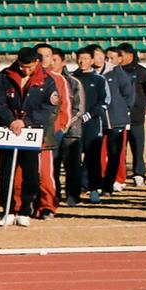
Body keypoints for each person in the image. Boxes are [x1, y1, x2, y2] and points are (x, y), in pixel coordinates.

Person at [0, 47, 60, 227]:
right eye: (22, 66)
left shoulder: (47, 81)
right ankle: (8, 209)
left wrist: (26, 121)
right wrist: (11, 121)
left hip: (31, 133)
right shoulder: (3, 77)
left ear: (36, 62)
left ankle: (24, 210)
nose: (25, 70)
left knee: (30, 174)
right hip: (8, 131)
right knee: (6, 173)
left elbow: (50, 108)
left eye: (28, 67)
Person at [31, 43, 71, 218]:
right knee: (28, 171)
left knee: (47, 172)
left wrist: (61, 127)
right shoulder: (27, 76)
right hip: (27, 133)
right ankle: (29, 203)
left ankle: (48, 205)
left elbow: (65, 106)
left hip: (48, 133)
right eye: (39, 55)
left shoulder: (58, 79)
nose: (43, 59)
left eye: (47, 56)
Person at [72, 47, 110, 204]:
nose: (83, 62)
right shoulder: (71, 79)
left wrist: (91, 114)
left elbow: (105, 101)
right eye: (80, 58)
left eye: (86, 59)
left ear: (92, 61)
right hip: (74, 124)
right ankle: (73, 192)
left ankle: (94, 189)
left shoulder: (99, 80)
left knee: (93, 158)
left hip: (93, 124)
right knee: (73, 159)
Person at [50, 48, 86, 206]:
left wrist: (64, 124)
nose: (51, 63)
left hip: (71, 132)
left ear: (62, 62)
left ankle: (73, 196)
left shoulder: (73, 82)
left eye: (54, 60)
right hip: (51, 132)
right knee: (52, 166)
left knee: (72, 166)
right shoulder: (45, 81)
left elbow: (79, 108)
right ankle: (53, 195)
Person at [119, 42, 146, 187]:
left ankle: (139, 173)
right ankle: (118, 176)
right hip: (118, 118)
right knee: (119, 148)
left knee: (138, 147)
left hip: (136, 118)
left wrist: (141, 106)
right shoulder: (115, 72)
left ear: (130, 55)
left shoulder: (143, 72)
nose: (119, 58)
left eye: (121, 55)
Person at [101, 46, 135, 194]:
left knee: (117, 152)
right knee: (99, 152)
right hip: (101, 120)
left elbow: (129, 94)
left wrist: (122, 110)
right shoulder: (99, 73)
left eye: (112, 58)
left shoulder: (118, 73)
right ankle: (101, 179)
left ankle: (119, 179)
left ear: (119, 60)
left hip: (117, 120)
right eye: (106, 57)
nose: (108, 61)